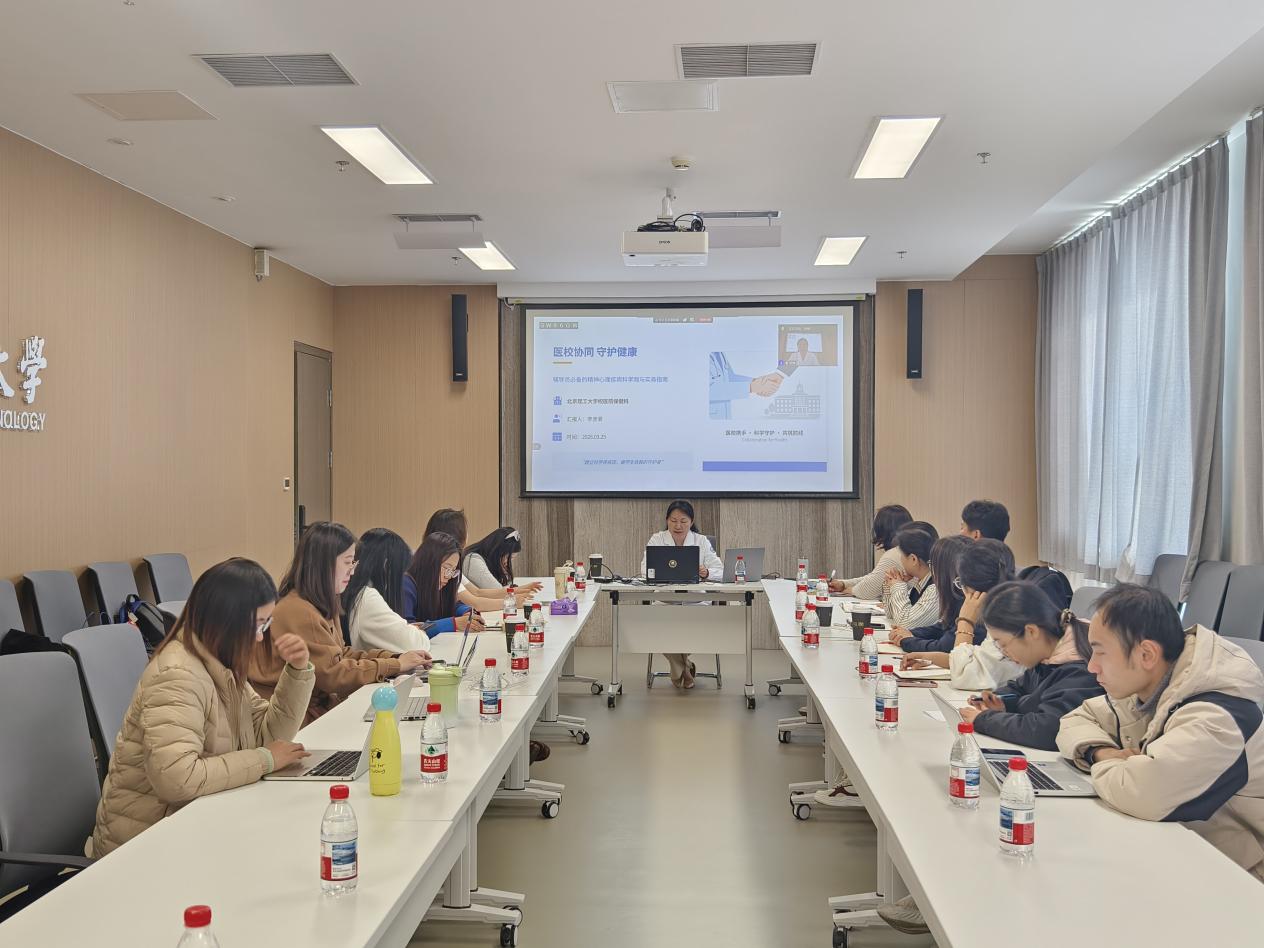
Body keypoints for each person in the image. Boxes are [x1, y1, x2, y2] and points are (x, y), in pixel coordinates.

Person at [92, 558, 315, 857]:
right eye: (257, 624)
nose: (261, 636)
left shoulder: (220, 663)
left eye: (266, 624)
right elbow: (177, 778)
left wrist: (298, 671)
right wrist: (264, 760)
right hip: (144, 847)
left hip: (193, 826)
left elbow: (268, 738)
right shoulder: (178, 674)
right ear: (227, 620)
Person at [1057, 584, 1264, 881]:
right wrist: (1103, 752)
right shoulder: (1150, 689)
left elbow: (1144, 793)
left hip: (1242, 875)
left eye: (1100, 653)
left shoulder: (1219, 716)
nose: (1091, 667)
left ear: (1147, 654)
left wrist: (1116, 767)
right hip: (1188, 849)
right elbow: (1075, 719)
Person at [249, 522, 429, 723]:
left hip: (307, 709)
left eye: (353, 563)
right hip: (288, 718)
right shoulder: (299, 610)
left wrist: (396, 658)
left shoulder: (320, 603)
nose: (352, 571)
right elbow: (333, 675)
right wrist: (394, 665)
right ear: (324, 564)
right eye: (348, 562)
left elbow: (341, 654)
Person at [957, 581, 1103, 749]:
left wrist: (983, 720)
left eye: (1003, 644)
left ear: (1031, 631)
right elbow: (1021, 688)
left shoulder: (1081, 669)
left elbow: (1047, 730)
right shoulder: (1047, 658)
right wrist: (1000, 701)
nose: (1004, 652)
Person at [897, 539, 1023, 689]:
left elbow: (963, 675)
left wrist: (966, 621)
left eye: (961, 583)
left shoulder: (1003, 620)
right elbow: (977, 659)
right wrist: (929, 658)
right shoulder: (1006, 608)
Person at [641, 499, 724, 688]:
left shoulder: (701, 541)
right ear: (667, 520)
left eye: (683, 521)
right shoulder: (657, 539)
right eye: (673, 520)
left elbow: (720, 570)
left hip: (696, 602)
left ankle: (679, 668)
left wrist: (707, 572)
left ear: (691, 522)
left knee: (688, 627)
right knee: (656, 627)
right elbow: (645, 570)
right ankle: (685, 668)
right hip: (665, 601)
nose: (678, 526)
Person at [425, 508, 541, 608]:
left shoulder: (447, 562)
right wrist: (512, 602)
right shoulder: (469, 561)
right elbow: (475, 601)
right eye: (465, 530)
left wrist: (519, 590)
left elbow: (477, 592)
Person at [343, 527, 435, 654]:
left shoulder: (352, 591)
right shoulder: (366, 597)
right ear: (386, 566)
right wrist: (419, 632)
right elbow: (416, 644)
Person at [403, 532, 484, 634]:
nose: (448, 576)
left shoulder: (439, 585)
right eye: (446, 568)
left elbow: (452, 605)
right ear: (429, 561)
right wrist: (454, 624)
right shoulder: (406, 585)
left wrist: (466, 611)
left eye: (453, 570)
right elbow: (407, 631)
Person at [828, 504, 913, 599]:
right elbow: (874, 578)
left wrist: (848, 590)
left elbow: (867, 590)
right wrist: (843, 584)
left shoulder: (894, 554)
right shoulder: (906, 548)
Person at [880, 522, 940, 630]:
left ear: (913, 559)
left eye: (902, 556)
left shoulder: (935, 589)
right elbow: (891, 614)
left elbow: (905, 624)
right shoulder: (920, 582)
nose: (901, 560)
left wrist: (898, 586)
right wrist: (891, 583)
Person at [708, 350, 784, 419]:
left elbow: (729, 377)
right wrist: (751, 387)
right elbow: (709, 390)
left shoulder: (719, 353)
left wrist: (757, 381)